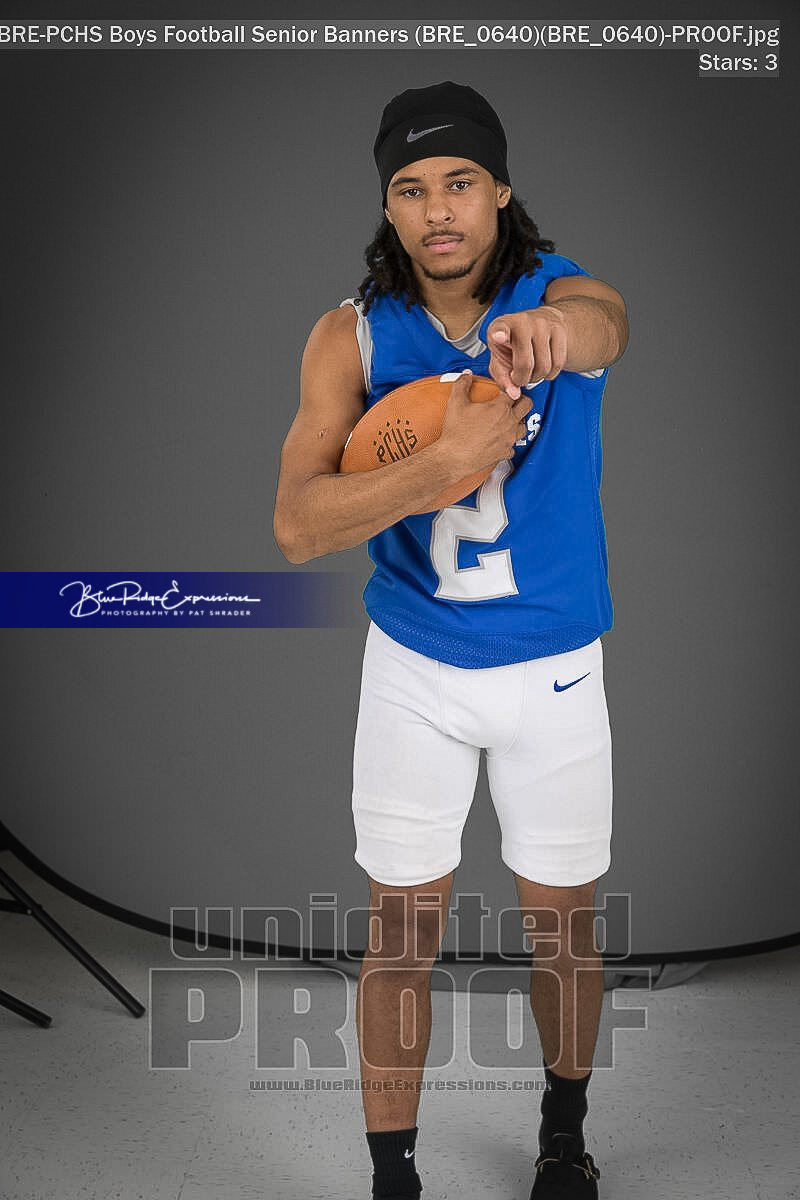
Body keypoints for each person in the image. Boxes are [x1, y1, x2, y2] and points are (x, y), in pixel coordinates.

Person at [274, 81, 628, 1200]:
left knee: (563, 930)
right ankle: (394, 1178)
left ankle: (562, 1137)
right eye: (411, 189)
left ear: (500, 191)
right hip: (415, 668)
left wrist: (555, 336)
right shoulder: (348, 335)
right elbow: (297, 526)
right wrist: (442, 462)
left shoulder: (555, 295)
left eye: (460, 183)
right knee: (398, 934)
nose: (437, 210)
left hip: (552, 667)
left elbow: (604, 321)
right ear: (388, 206)